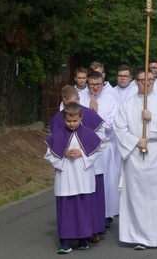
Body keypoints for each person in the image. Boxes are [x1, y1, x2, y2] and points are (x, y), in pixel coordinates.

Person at [113, 68, 157, 250]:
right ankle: (139, 236)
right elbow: (119, 128)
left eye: (150, 79)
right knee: (138, 197)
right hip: (136, 156)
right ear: (136, 82)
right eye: (143, 80)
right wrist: (135, 141)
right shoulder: (127, 104)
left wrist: (153, 118)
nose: (148, 83)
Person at [44, 102, 104, 254]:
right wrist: (62, 154)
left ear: (81, 117)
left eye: (75, 121)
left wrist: (82, 154)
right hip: (66, 178)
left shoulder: (89, 134)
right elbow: (49, 154)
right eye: (69, 121)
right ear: (64, 118)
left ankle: (83, 240)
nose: (72, 124)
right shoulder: (57, 135)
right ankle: (65, 242)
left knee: (83, 209)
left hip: (83, 177)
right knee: (66, 211)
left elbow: (97, 151)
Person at [82, 71, 120, 229]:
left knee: (105, 182)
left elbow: (112, 124)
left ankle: (105, 214)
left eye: (98, 84)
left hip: (103, 147)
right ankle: (88, 214)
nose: (95, 88)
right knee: (87, 182)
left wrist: (96, 113)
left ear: (103, 83)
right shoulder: (80, 97)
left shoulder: (111, 99)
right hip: (84, 148)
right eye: (91, 85)